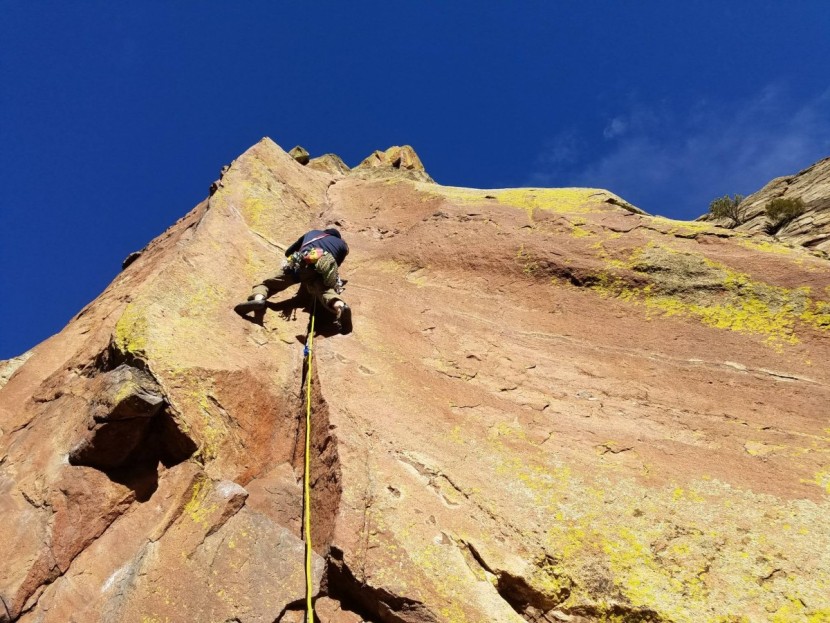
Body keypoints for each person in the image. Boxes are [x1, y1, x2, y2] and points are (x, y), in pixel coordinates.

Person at [234, 228, 352, 333]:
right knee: (326, 291)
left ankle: (259, 299)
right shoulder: (342, 245)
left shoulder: (313, 233)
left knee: (268, 283)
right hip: (321, 269)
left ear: (325, 233)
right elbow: (335, 265)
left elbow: (288, 252)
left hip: (301, 262)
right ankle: (340, 307)